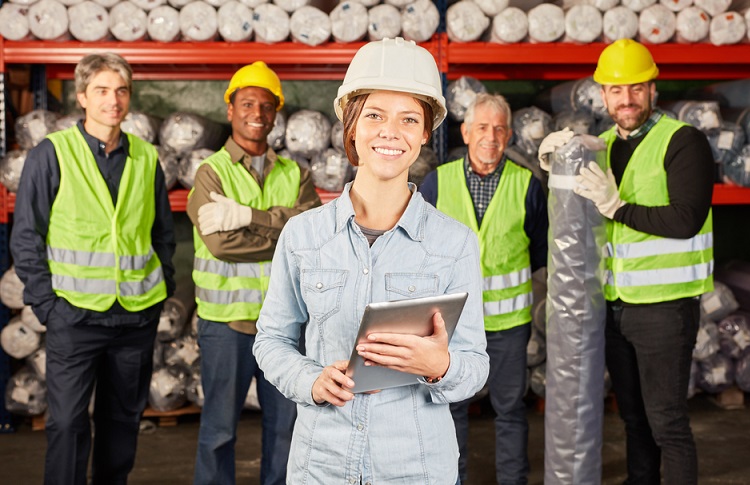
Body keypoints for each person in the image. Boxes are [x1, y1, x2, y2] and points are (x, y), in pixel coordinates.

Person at [252, 37, 490, 484]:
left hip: (415, 467)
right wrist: (311, 380)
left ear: (424, 134)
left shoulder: (453, 243)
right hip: (322, 466)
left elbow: (474, 362)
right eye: (375, 115)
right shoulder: (304, 235)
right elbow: (271, 340)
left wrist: (440, 367)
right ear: (352, 124)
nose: (389, 132)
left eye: (409, 119)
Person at [539, 38, 714, 485]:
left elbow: (687, 218)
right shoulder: (607, 146)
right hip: (617, 308)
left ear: (653, 88)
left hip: (665, 308)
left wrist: (618, 209)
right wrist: (558, 155)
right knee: (634, 421)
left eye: (636, 88)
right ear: (602, 96)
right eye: (616, 91)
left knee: (667, 424)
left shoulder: (683, 141)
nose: (627, 99)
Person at [10, 52, 176, 485]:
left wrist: (160, 288)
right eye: (101, 90)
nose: (113, 100)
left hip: (135, 317)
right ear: (82, 97)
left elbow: (162, 233)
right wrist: (48, 305)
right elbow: (27, 237)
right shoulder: (52, 154)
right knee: (67, 424)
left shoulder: (145, 156)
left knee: (122, 423)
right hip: (74, 315)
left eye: (121, 91)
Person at [188, 61, 321, 485]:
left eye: (267, 106)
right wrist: (282, 229)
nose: (257, 114)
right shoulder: (211, 172)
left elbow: (312, 238)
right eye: (248, 104)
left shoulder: (295, 172)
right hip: (226, 326)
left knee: (285, 431)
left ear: (276, 114)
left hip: (284, 326)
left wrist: (247, 215)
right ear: (230, 109)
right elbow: (219, 245)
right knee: (218, 432)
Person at [419, 92, 548, 485]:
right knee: (451, 410)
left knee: (509, 410)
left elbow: (541, 252)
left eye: (498, 129)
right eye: (481, 128)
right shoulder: (436, 184)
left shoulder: (527, 185)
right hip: (451, 326)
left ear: (508, 135)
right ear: (465, 131)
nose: (489, 137)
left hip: (509, 324)